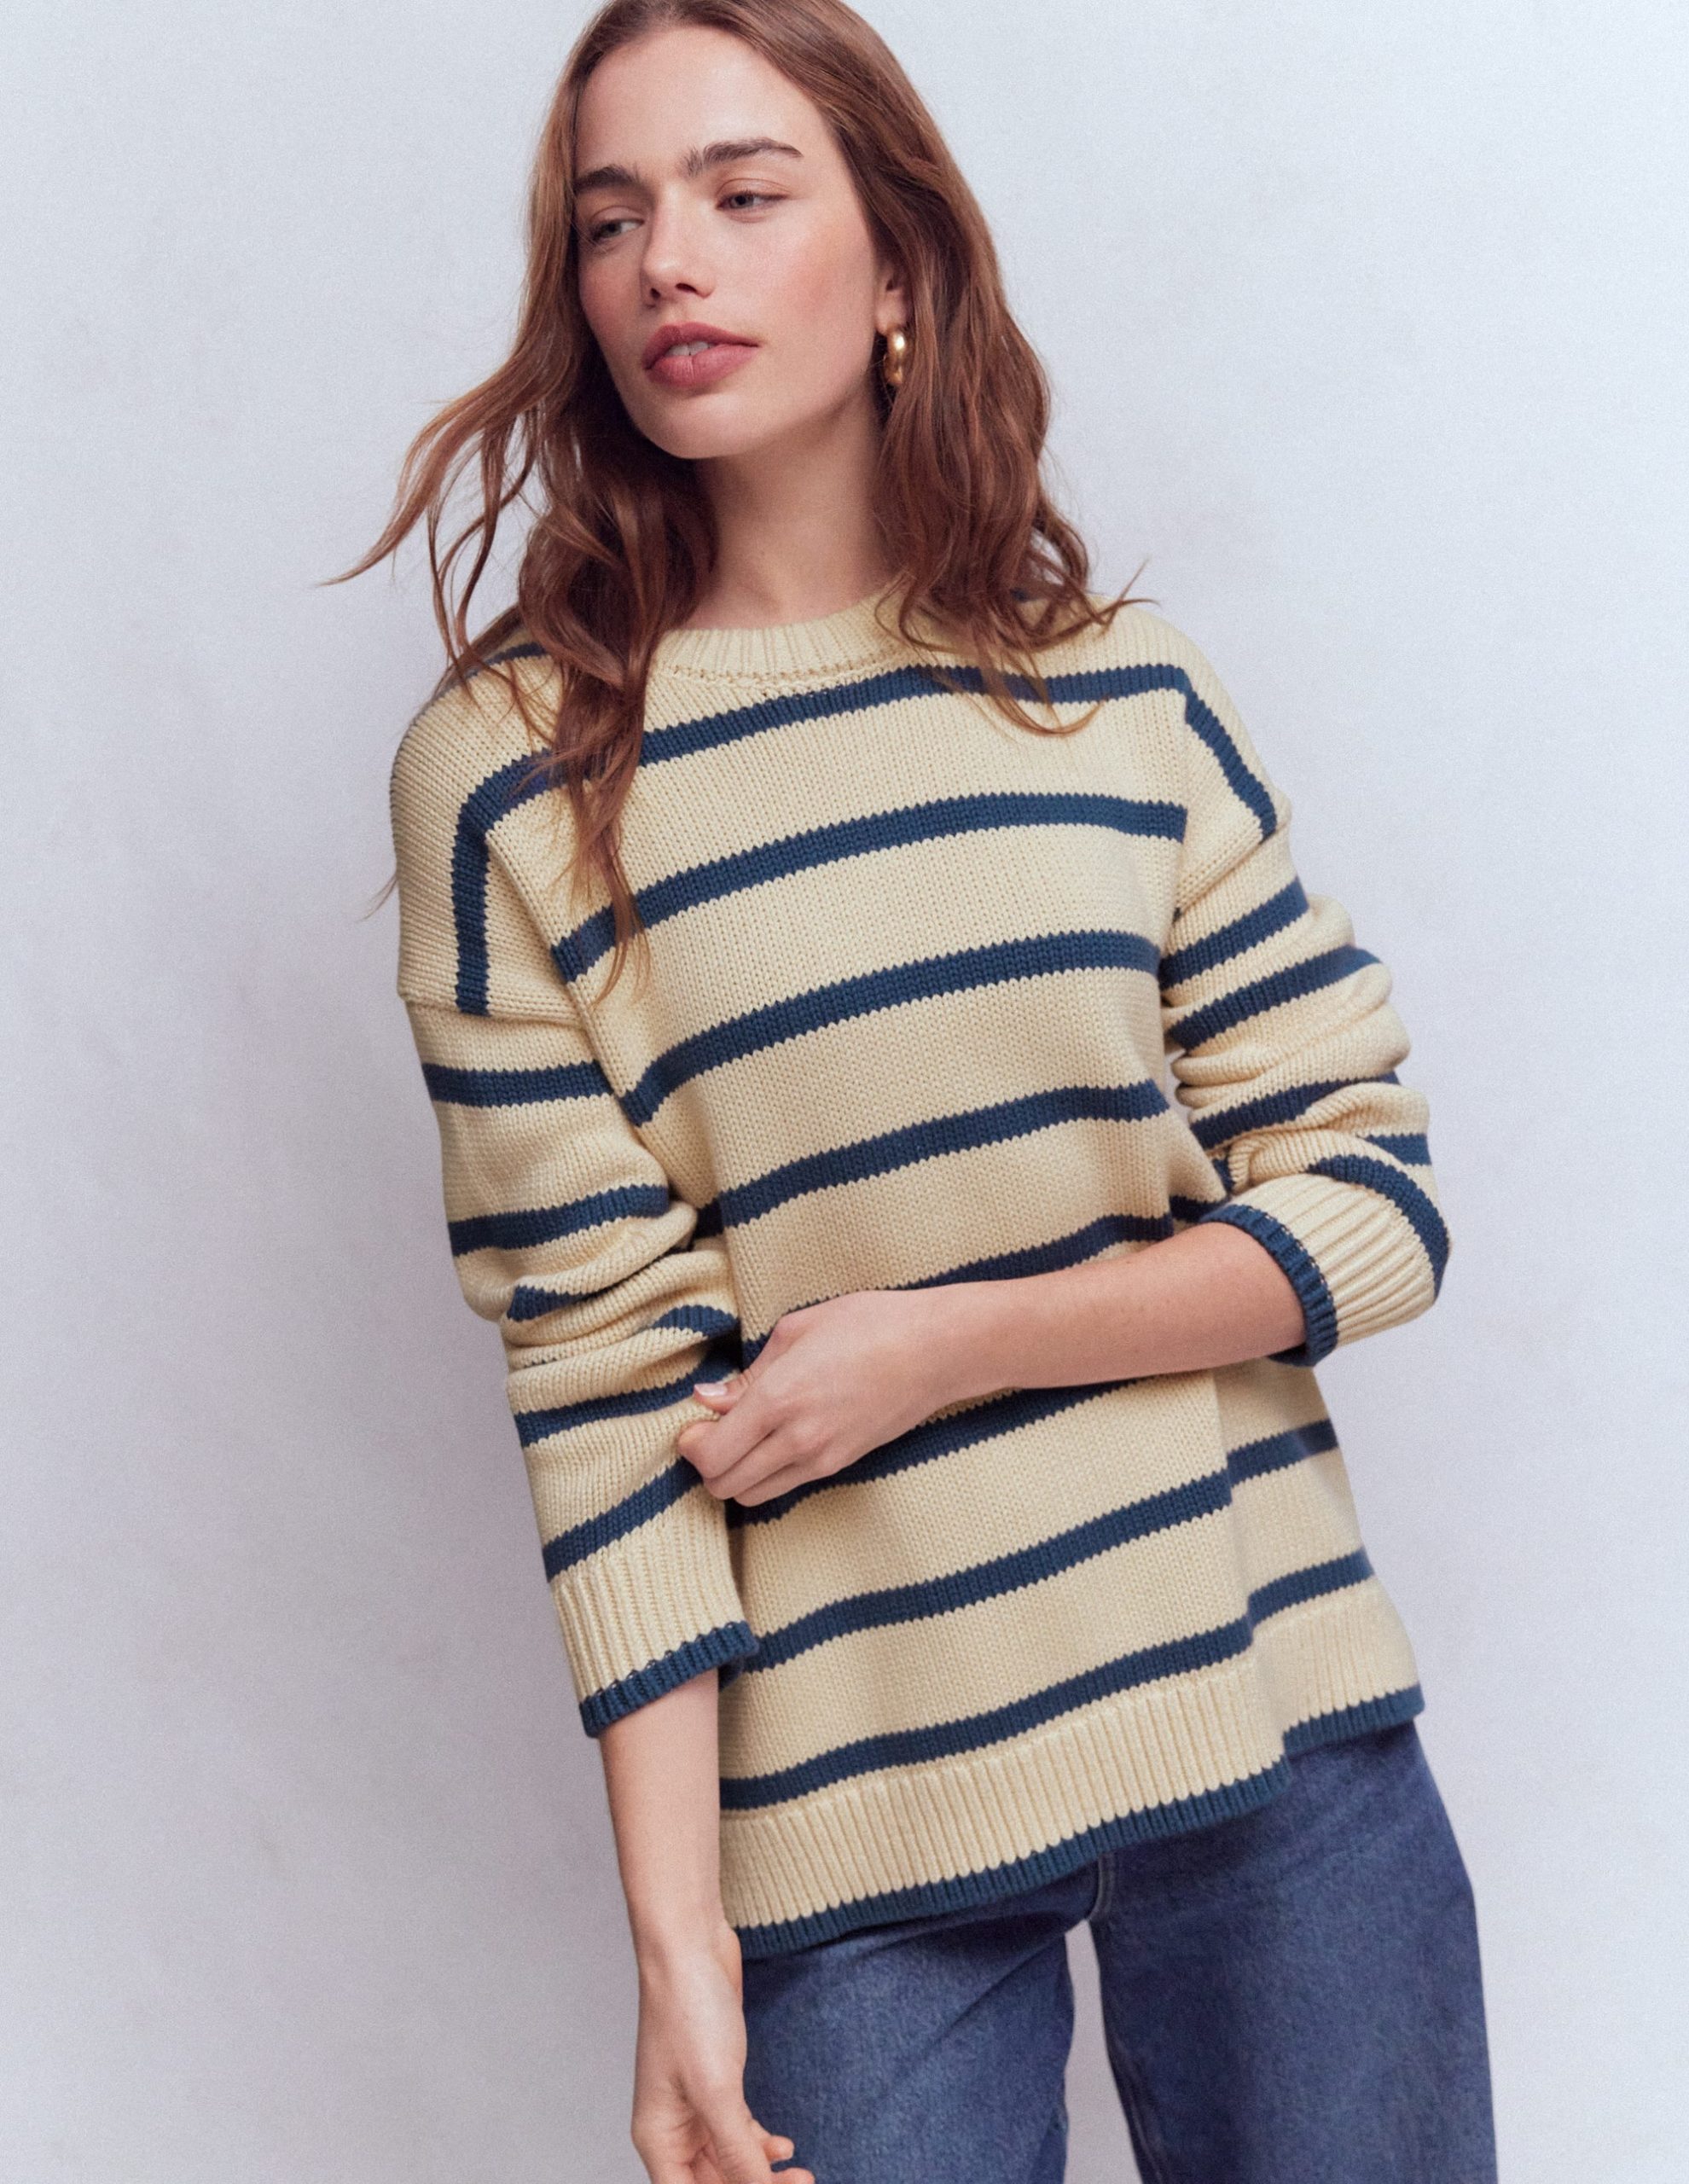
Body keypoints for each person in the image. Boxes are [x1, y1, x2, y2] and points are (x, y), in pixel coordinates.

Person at [345, 2, 1499, 2177]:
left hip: (1275, 1722)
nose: (669, 263)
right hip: (852, 1815)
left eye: (742, 192)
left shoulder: (1114, 695)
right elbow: (599, 1384)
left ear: (898, 265)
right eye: (612, 219)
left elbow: (1375, 1202)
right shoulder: (512, 779)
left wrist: (948, 1345)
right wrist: (680, 1951)